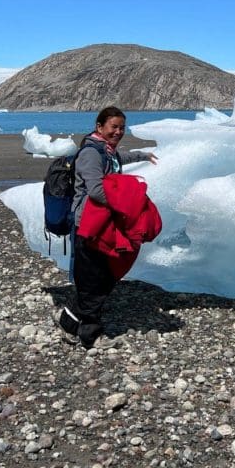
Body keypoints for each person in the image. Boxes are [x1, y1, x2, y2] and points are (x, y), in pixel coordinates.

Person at [57, 106, 159, 348]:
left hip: (102, 223)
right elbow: (96, 190)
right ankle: (89, 335)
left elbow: (117, 159)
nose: (118, 131)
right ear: (99, 126)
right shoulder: (92, 154)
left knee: (96, 277)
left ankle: (69, 323)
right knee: (96, 278)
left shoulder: (106, 151)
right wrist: (132, 202)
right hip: (88, 224)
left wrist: (142, 156)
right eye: (114, 127)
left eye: (122, 127)